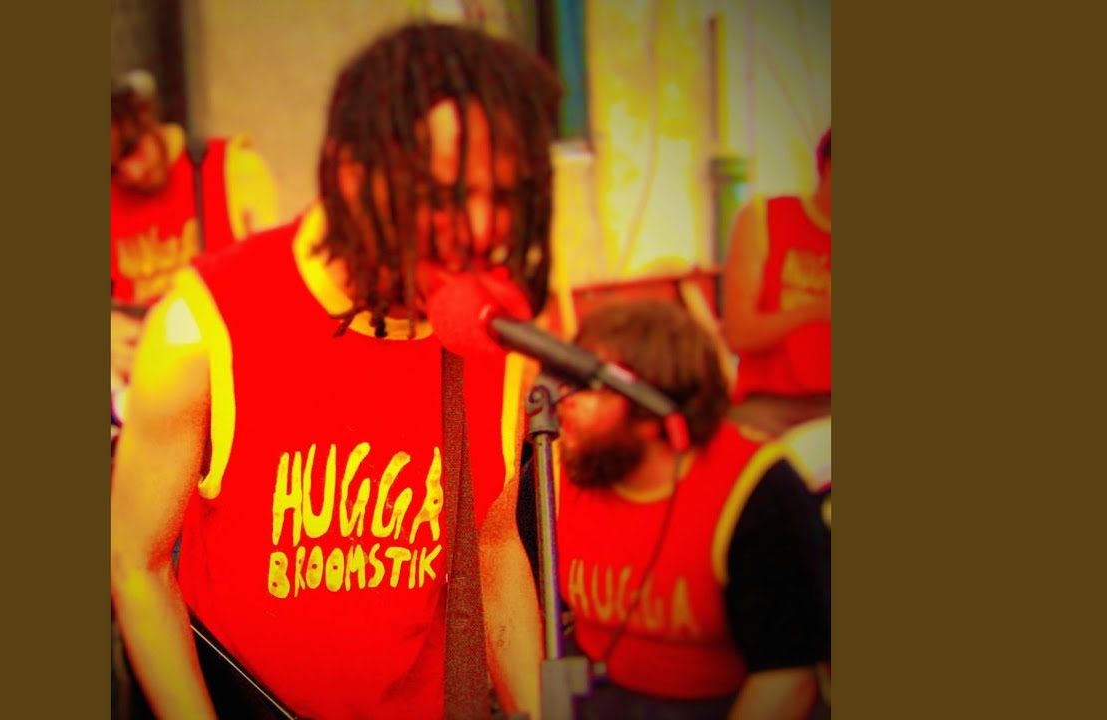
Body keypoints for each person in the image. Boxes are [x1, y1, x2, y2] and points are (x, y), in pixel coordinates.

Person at [110, 22, 560, 720]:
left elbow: (494, 549)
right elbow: (136, 567)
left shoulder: (493, 337)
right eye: (446, 194)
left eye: (501, 197)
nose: (479, 229)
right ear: (354, 171)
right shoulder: (203, 326)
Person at [481, 299, 831, 720]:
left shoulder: (757, 491)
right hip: (598, 694)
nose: (566, 401)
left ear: (652, 411)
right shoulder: (565, 465)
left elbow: (787, 679)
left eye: (589, 388)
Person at [110, 69, 279, 407]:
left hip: (228, 387)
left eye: (131, 149)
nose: (132, 172)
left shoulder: (233, 169)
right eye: (112, 168)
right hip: (140, 401)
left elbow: (278, 292)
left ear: (145, 114)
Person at [721, 129, 832, 437]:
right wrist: (817, 311)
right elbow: (739, 334)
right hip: (768, 405)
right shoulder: (764, 218)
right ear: (825, 167)